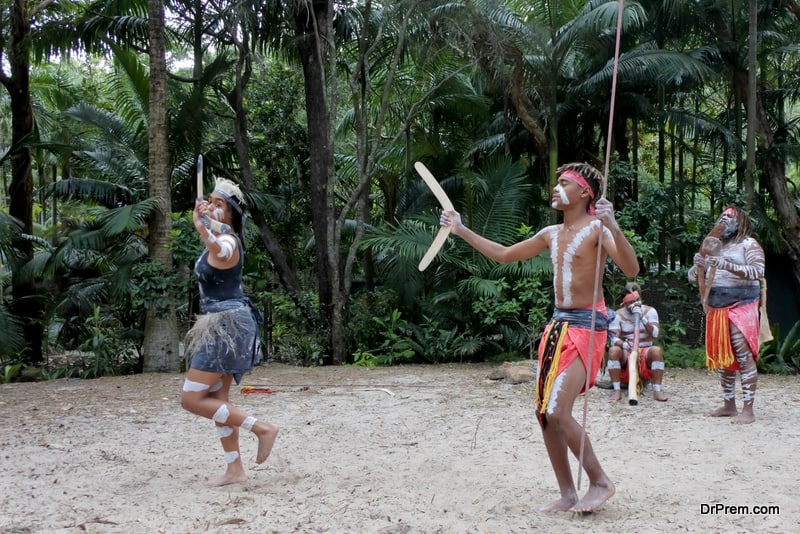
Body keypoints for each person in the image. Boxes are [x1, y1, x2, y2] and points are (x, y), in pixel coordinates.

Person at [439, 163, 639, 513]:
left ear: (584, 193)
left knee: (559, 410)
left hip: (587, 327)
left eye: (564, 183)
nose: (556, 188)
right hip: (557, 328)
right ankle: (566, 493)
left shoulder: (597, 228)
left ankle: (600, 482)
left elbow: (631, 270)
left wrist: (614, 226)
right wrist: (460, 229)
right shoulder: (550, 233)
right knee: (545, 414)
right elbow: (503, 255)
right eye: (557, 182)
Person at [180, 178, 279, 486]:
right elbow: (214, 244)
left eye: (219, 204)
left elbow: (221, 250)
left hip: (228, 326)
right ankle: (235, 470)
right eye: (210, 200)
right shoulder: (219, 235)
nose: (212, 206)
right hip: (225, 324)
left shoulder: (229, 241)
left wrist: (203, 228)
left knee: (191, 399)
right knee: (217, 399)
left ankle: (261, 427)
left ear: (233, 213)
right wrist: (206, 224)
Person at [688, 206, 765, 425]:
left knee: (742, 354)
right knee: (723, 357)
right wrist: (698, 266)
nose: (724, 220)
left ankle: (748, 410)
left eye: (729, 217)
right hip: (717, 308)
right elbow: (693, 277)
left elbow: (758, 272)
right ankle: (729, 405)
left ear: (741, 222)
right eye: (722, 217)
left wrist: (725, 264)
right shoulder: (713, 246)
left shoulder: (748, 244)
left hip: (742, 305)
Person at [607, 282, 668, 402]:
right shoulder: (618, 314)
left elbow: (655, 334)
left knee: (656, 351)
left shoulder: (649, 311)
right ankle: (617, 390)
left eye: (636, 301)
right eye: (630, 303)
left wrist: (642, 318)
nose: (634, 305)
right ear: (624, 303)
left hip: (645, 350)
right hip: (627, 351)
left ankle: (657, 390)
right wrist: (624, 344)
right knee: (613, 351)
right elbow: (613, 337)